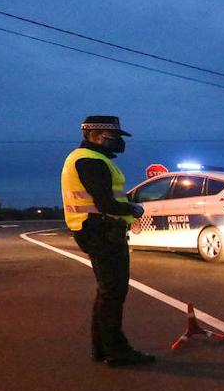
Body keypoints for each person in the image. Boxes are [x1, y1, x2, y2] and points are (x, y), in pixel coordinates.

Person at [60, 114, 154, 367]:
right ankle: (117, 351)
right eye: (113, 137)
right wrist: (133, 210)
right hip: (101, 231)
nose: (118, 142)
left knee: (107, 291)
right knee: (113, 292)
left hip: (96, 229)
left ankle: (102, 348)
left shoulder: (87, 158)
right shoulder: (90, 160)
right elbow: (105, 202)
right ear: (96, 136)